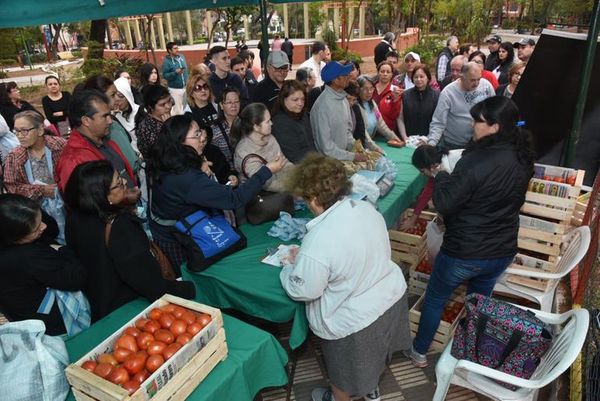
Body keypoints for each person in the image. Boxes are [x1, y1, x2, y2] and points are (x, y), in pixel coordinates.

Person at [408, 96, 535, 368]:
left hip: (464, 251)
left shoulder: (473, 161)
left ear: (495, 127)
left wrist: (441, 174)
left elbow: (444, 203)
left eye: (478, 120)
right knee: (479, 304)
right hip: (501, 250)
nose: (472, 125)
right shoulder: (522, 156)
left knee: (436, 298)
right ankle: (468, 354)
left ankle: (419, 351)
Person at [280, 153, 411, 401]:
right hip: (390, 298)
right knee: (378, 357)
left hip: (354, 322)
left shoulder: (318, 240)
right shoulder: (364, 207)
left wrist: (289, 267)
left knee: (342, 378)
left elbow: (305, 290)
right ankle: (371, 389)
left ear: (315, 198)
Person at [147, 114, 285, 268]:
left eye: (201, 131)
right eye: (197, 135)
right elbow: (234, 199)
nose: (202, 138)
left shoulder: (167, 159)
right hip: (178, 236)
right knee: (192, 273)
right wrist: (266, 170)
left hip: (170, 223)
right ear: (180, 142)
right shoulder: (187, 177)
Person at [63, 160, 195, 321]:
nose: (125, 182)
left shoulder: (74, 218)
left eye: (120, 177)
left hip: (102, 309)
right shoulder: (120, 226)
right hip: (132, 310)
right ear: (103, 197)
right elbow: (150, 283)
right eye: (118, 184)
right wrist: (189, 290)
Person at [0, 193, 86, 336]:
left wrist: (34, 214)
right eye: (36, 229)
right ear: (17, 237)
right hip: (53, 325)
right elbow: (77, 277)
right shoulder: (28, 257)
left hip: (23, 317)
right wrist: (63, 250)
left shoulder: (10, 238)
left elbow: (52, 229)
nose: (44, 226)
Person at [55, 89, 137, 195]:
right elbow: (86, 203)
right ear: (86, 121)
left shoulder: (106, 141)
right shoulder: (73, 160)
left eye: (110, 115)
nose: (110, 121)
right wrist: (124, 198)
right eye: (104, 116)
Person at [426, 62, 495, 149]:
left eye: (479, 79)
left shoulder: (486, 86)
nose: (477, 83)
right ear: (462, 77)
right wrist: (431, 144)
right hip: (454, 144)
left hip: (480, 142)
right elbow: (438, 122)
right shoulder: (448, 93)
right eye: (473, 80)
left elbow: (494, 109)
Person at [82, 75, 141, 176]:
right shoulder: (111, 127)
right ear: (99, 98)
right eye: (113, 95)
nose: (116, 99)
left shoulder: (107, 123)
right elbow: (131, 163)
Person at [4, 110, 65, 201]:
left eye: (24, 130)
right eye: (16, 131)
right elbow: (12, 187)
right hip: (36, 208)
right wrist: (41, 190)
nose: (19, 136)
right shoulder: (14, 157)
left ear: (40, 130)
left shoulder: (60, 146)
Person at [311, 62, 365, 162]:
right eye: (344, 75)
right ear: (335, 80)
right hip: (328, 165)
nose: (348, 76)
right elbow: (326, 148)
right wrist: (352, 156)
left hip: (344, 160)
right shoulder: (322, 107)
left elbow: (347, 132)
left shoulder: (344, 100)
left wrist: (357, 148)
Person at [399, 145, 463, 231]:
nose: (422, 174)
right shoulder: (436, 166)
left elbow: (454, 199)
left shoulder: (450, 168)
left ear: (431, 166)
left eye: (422, 171)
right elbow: (427, 193)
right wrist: (412, 219)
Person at [233, 102, 293, 191]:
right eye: (267, 121)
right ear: (256, 127)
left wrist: (299, 174)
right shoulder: (244, 153)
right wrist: (294, 185)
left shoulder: (270, 138)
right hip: (263, 196)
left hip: (284, 184)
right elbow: (266, 184)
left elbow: (284, 162)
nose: (271, 123)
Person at [271, 80, 316, 163]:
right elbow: (294, 156)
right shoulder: (279, 122)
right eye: (295, 100)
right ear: (283, 99)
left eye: (303, 99)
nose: (300, 103)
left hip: (312, 161)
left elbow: (311, 143)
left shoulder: (303, 114)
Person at [355, 75, 402, 144]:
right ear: (358, 89)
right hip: (359, 144)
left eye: (371, 88)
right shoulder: (355, 106)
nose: (369, 92)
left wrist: (394, 138)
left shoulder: (372, 103)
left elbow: (381, 125)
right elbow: (363, 132)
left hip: (370, 142)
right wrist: (374, 147)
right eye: (365, 89)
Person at [399, 64, 440, 139]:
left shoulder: (436, 96)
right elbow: (400, 118)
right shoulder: (405, 95)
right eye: (416, 77)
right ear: (412, 79)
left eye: (422, 76)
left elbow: (439, 121)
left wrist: (429, 138)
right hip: (409, 140)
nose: (418, 79)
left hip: (429, 140)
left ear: (428, 78)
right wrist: (404, 137)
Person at [136, 85, 173, 160]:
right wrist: (168, 127)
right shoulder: (147, 128)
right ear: (151, 107)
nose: (168, 106)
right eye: (162, 105)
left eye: (169, 101)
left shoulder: (166, 117)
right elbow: (164, 153)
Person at [210, 87, 240, 168]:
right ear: (221, 105)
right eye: (229, 102)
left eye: (236, 102)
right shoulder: (214, 130)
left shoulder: (248, 124)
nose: (234, 105)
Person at [113, 77, 143, 151]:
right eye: (113, 96)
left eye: (120, 96)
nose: (117, 100)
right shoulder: (114, 117)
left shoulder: (141, 111)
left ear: (128, 96)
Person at [372, 61, 403, 134]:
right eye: (382, 71)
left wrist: (395, 99)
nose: (385, 74)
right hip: (371, 130)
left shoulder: (395, 90)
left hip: (388, 132)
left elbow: (395, 115)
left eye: (388, 72)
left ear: (392, 74)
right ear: (378, 73)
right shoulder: (371, 88)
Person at [162, 42, 189, 115]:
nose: (177, 50)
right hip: (175, 90)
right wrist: (175, 73)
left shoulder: (182, 57)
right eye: (175, 48)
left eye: (177, 48)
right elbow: (165, 75)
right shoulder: (166, 62)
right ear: (169, 50)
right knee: (177, 111)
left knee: (187, 108)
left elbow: (186, 71)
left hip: (186, 88)